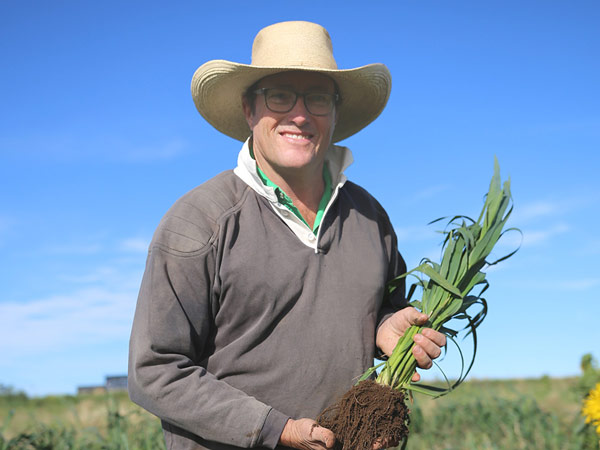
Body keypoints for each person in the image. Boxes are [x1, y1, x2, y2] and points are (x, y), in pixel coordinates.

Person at [128, 21, 446, 450]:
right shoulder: (200, 221)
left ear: (335, 112)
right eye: (279, 96)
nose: (299, 114)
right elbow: (154, 371)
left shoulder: (370, 218)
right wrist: (274, 429)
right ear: (248, 109)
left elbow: (380, 312)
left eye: (317, 98)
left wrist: (390, 329)